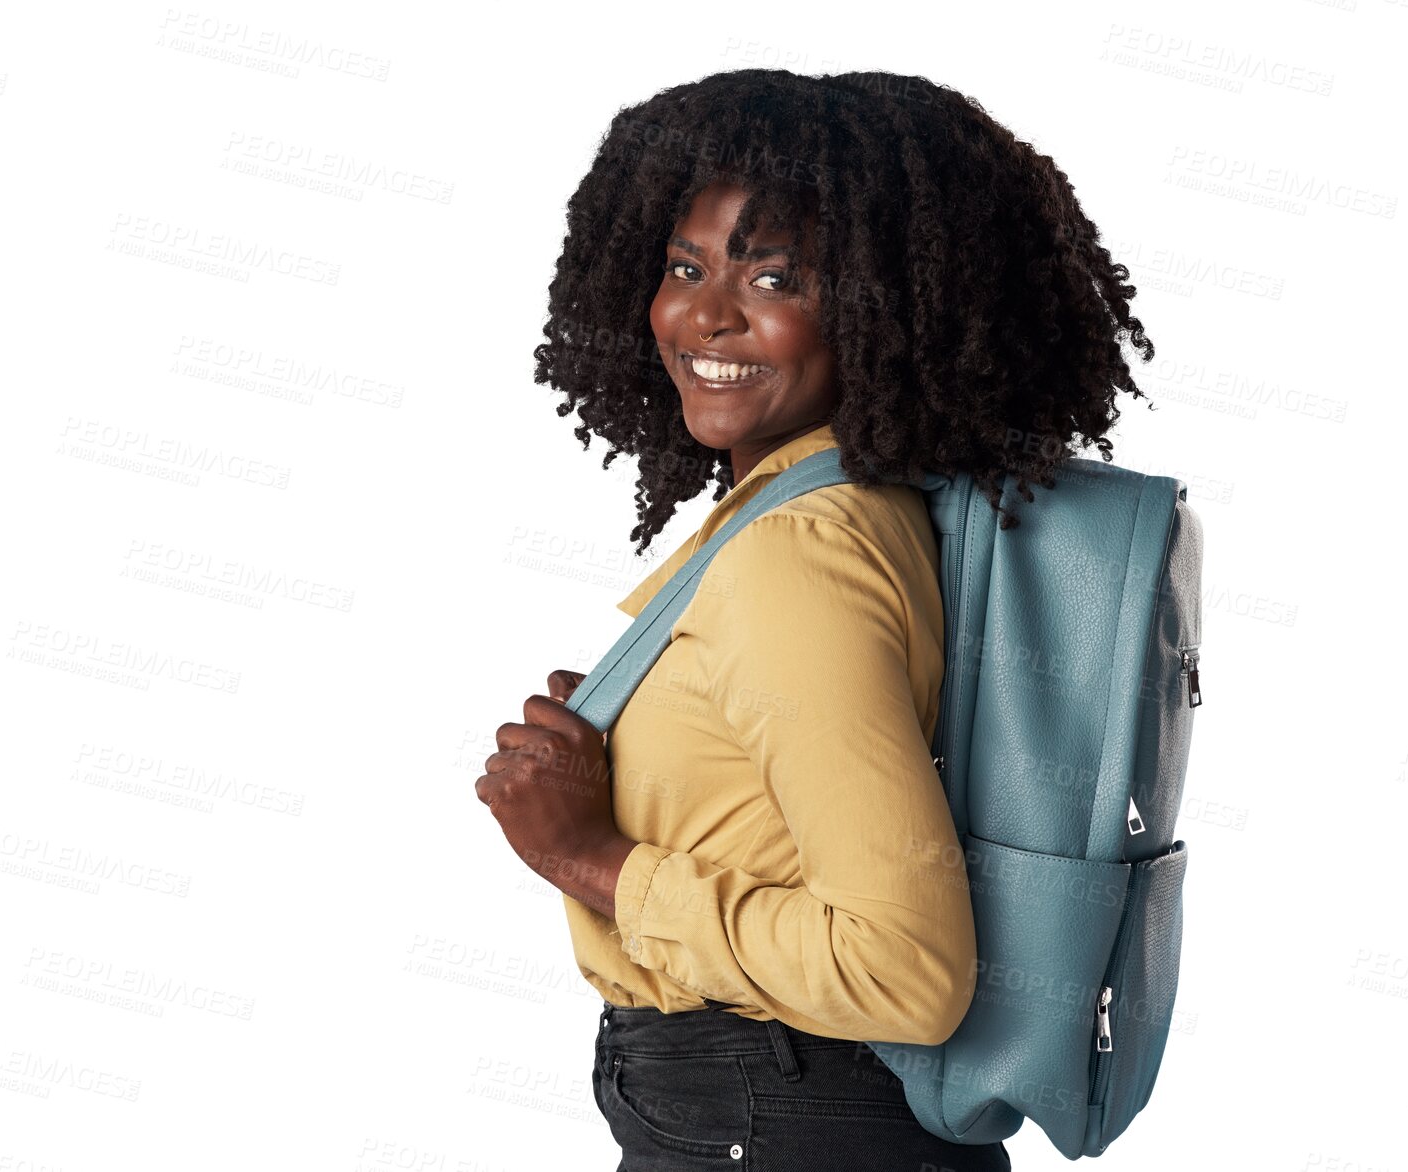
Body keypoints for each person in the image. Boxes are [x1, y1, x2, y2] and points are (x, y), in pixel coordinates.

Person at [475, 67, 1154, 1170]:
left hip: (780, 1119)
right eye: (685, 265)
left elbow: (901, 969)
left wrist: (588, 852)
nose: (706, 311)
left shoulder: (799, 551)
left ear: (882, 308)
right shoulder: (823, 511)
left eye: (775, 277)